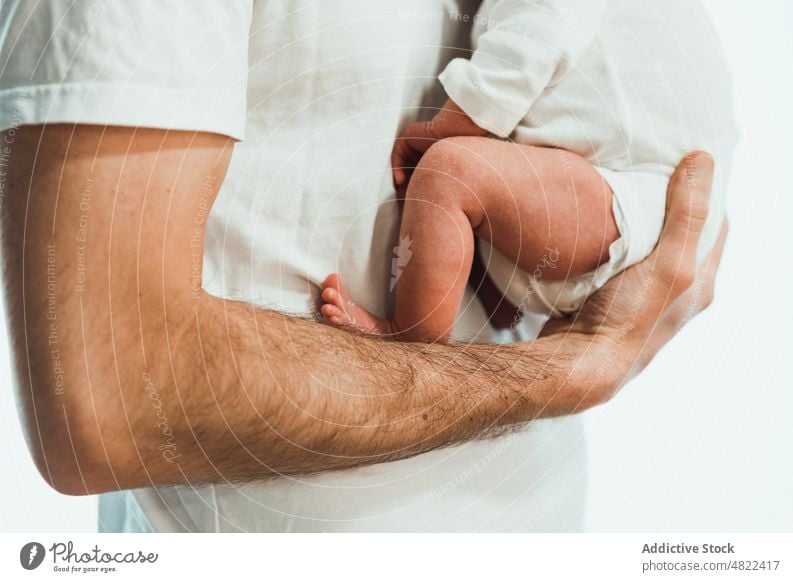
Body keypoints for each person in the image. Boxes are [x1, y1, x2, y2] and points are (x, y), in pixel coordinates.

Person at [0, 1, 730, 532]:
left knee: (451, 172)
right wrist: (568, 371)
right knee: (451, 173)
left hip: (536, 516)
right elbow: (107, 401)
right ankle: (412, 326)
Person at [322, 0, 734, 342]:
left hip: (623, 205)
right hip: (631, 219)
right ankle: (494, 295)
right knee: (485, 186)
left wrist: (446, 125)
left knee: (450, 172)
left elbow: (534, 38)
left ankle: (412, 340)